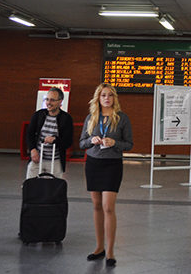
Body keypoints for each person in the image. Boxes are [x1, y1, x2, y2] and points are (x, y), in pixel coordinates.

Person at [79, 83, 133, 267]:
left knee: (108, 207)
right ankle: (99, 248)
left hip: (112, 165)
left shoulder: (122, 118)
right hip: (93, 163)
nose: (107, 98)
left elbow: (129, 144)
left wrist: (114, 143)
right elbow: (81, 143)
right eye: (103, 95)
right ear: (98, 98)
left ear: (114, 98)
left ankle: (110, 252)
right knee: (96, 206)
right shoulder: (91, 118)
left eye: (110, 95)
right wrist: (91, 140)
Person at [26, 87, 73, 179]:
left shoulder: (66, 119)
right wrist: (32, 150)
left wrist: (55, 140)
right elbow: (29, 134)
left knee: (53, 188)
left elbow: (68, 142)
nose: (48, 103)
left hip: (55, 161)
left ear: (60, 102)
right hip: (37, 159)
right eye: (47, 99)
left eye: (52, 100)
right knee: (31, 185)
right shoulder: (38, 115)